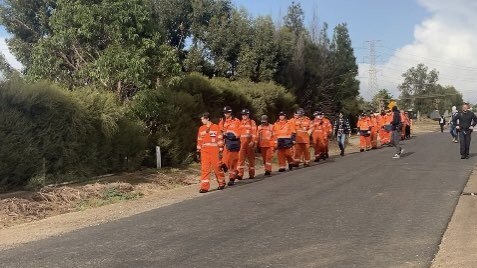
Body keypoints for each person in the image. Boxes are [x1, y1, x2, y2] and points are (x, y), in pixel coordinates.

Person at [196, 112, 226, 193]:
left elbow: (220, 139)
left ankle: (221, 183)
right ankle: (204, 187)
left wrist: (220, 150)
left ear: (207, 118)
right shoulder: (201, 128)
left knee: (217, 168)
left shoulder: (216, 127)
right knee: (205, 169)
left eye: (202, 119)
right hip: (204, 151)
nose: (201, 120)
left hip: (214, 151)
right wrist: (198, 151)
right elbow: (199, 141)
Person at [219, 106, 241, 186]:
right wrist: (223, 135)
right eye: (224, 113)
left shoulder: (237, 121)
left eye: (227, 113)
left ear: (230, 112)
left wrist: (234, 136)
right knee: (225, 160)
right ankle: (233, 173)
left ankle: (232, 178)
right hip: (226, 143)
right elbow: (220, 131)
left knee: (234, 161)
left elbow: (239, 132)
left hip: (234, 143)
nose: (226, 114)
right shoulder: (222, 121)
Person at [237, 108, 258, 180]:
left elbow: (255, 133)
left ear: (248, 115)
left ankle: (251, 174)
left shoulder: (252, 122)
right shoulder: (240, 123)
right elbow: (238, 133)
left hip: (249, 144)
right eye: (243, 115)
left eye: (245, 114)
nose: (244, 116)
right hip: (242, 144)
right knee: (240, 159)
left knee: (251, 159)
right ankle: (240, 174)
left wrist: (253, 141)